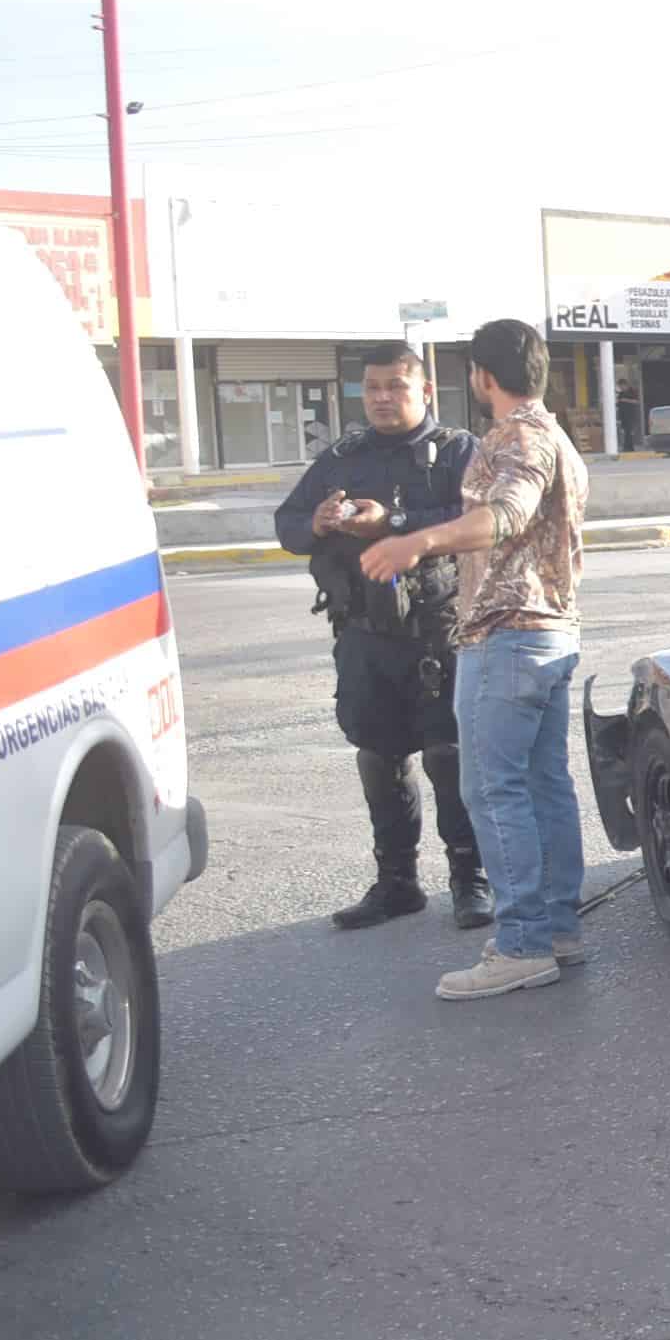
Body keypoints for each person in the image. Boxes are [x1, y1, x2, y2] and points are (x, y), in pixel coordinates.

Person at [357, 319, 590, 1002]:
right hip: (550, 632)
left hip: (508, 633)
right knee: (544, 784)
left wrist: (415, 544)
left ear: (481, 377)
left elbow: (506, 516)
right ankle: (557, 929)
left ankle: (522, 944)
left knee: (493, 789)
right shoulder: (557, 437)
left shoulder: (516, 438)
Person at [273, 342, 490, 932]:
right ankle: (397, 884)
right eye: (372, 388)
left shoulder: (458, 452)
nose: (383, 398)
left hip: (437, 633)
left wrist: (393, 523)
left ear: (425, 391)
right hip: (365, 636)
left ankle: (471, 881)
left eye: (396, 386)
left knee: (449, 755)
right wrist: (315, 524)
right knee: (379, 754)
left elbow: (477, 523)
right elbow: (287, 524)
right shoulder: (343, 457)